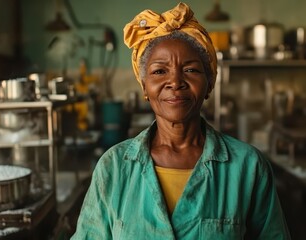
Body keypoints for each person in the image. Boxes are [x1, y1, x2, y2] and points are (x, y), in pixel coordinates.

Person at [71, 2, 291, 239]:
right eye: (159, 71)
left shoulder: (248, 167)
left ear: (209, 84)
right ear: (144, 87)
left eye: (191, 70)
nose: (175, 82)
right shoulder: (113, 167)